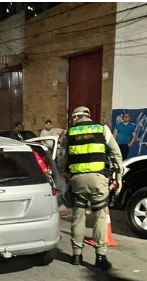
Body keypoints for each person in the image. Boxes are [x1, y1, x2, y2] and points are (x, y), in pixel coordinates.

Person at [61, 106, 123, 270]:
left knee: (78, 216)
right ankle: (100, 257)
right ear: (88, 116)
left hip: (77, 181)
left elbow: (63, 159)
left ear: (75, 117)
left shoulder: (70, 132)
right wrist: (119, 176)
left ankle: (76, 255)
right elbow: (116, 153)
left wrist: (65, 175)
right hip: (98, 180)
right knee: (100, 217)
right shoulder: (102, 129)